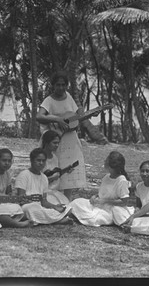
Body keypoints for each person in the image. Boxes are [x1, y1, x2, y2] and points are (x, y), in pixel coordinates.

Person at [36, 70, 87, 201]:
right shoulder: (48, 100)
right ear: (53, 85)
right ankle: (51, 197)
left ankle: (67, 200)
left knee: (70, 167)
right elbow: (39, 116)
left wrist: (89, 115)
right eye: (58, 85)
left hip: (70, 138)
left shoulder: (69, 97)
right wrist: (57, 119)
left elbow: (75, 117)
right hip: (55, 138)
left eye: (63, 85)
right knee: (55, 167)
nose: (61, 88)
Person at [69, 151, 132, 227]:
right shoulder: (106, 177)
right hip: (99, 204)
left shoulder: (121, 180)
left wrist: (105, 201)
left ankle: (78, 216)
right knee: (76, 202)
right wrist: (95, 197)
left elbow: (124, 202)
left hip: (109, 210)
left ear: (110, 165)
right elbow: (103, 194)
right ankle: (77, 215)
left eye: (106, 161)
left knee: (93, 218)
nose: (104, 162)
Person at [15, 148, 73, 225]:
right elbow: (21, 199)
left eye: (43, 161)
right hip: (28, 206)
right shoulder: (24, 175)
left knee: (68, 209)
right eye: (38, 160)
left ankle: (47, 220)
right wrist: (31, 201)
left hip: (40, 207)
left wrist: (54, 207)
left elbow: (44, 201)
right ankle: (57, 221)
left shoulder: (44, 178)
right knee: (32, 209)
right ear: (32, 161)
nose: (41, 163)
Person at [112, 160, 149, 226]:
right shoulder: (139, 186)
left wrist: (142, 215)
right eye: (142, 171)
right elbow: (139, 205)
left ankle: (129, 225)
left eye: (147, 171)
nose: (144, 174)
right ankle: (128, 224)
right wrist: (137, 210)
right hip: (140, 215)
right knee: (116, 209)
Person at [41, 130, 71, 206]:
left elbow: (56, 174)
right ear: (47, 143)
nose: (57, 145)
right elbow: (36, 180)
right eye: (54, 143)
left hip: (55, 192)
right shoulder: (40, 158)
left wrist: (65, 171)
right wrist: (52, 178)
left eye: (58, 143)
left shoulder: (55, 157)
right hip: (44, 193)